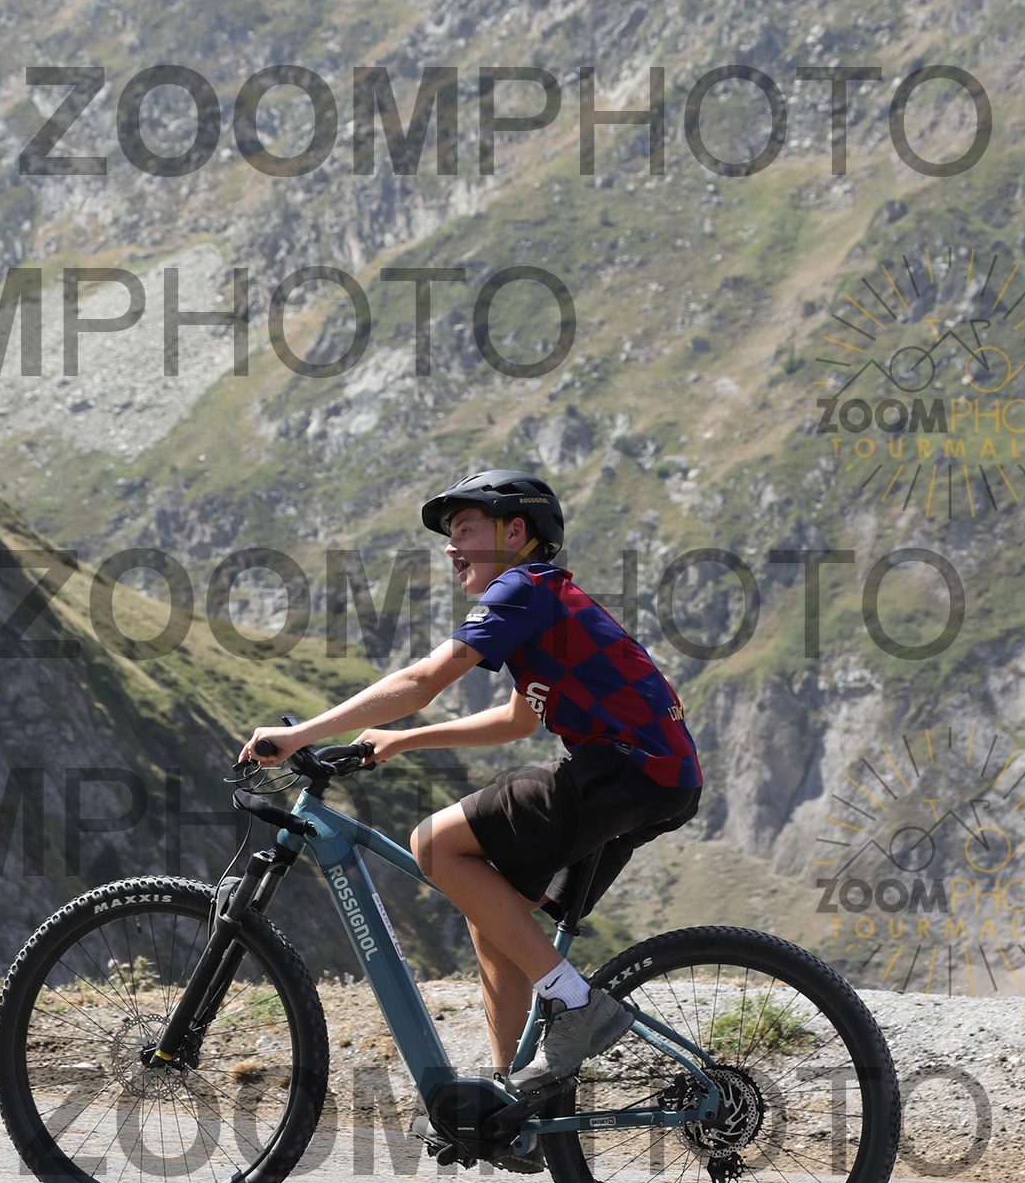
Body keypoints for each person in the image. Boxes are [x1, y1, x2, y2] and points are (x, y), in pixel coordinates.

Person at [237, 468, 701, 1101]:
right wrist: (402, 740)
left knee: (435, 843)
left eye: (464, 529)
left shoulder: (522, 587)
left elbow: (422, 680)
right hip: (659, 780)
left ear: (515, 532)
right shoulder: (548, 603)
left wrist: (301, 735)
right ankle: (511, 1102)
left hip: (622, 768)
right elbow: (517, 721)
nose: (451, 548)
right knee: (496, 916)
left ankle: (574, 1003)